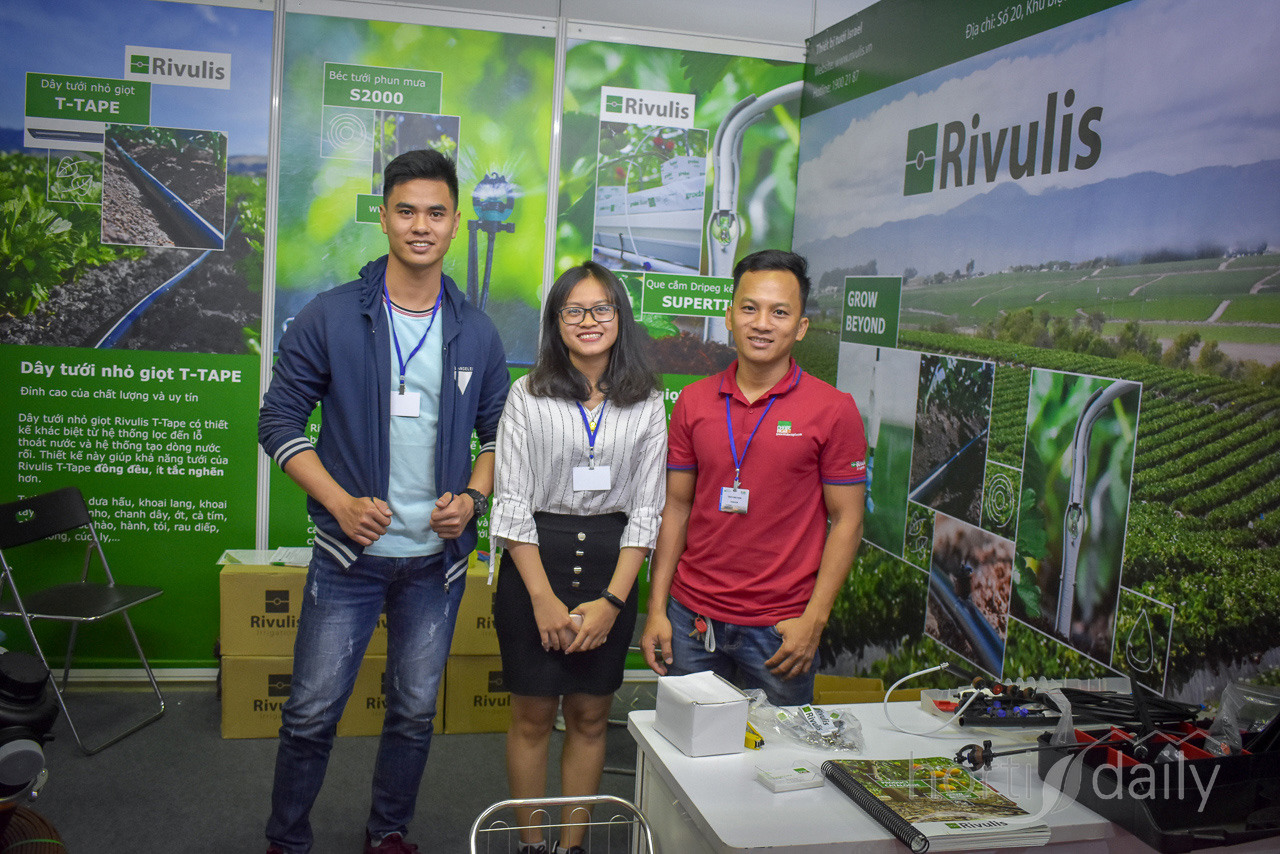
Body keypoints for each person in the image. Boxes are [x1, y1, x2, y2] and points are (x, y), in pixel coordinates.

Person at [258, 148, 510, 854]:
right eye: (406, 211)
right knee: (311, 714)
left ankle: (388, 832)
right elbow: (277, 422)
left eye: (436, 213)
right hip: (349, 558)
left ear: (455, 223)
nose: (420, 226)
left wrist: (473, 497)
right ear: (384, 218)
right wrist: (340, 503)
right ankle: (287, 840)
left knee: (413, 712)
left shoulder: (476, 330)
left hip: (436, 564)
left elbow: (500, 436)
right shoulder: (333, 315)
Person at [489, 262, 666, 854]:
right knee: (532, 718)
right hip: (534, 566)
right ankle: (532, 845)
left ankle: (572, 846)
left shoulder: (647, 402)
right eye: (574, 310)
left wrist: (613, 602)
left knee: (590, 719)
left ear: (620, 317)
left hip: (612, 569)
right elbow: (512, 503)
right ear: (556, 321)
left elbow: (648, 510)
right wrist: (541, 599)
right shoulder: (526, 394)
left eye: (601, 309)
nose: (589, 321)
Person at [640, 249, 867, 706]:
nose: (762, 323)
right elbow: (677, 507)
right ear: (729, 317)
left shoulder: (833, 409)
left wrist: (814, 621)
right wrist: (657, 608)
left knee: (778, 750)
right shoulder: (693, 401)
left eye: (779, 312)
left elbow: (848, 521)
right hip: (692, 620)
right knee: (690, 747)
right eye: (749, 308)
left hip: (780, 629)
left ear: (801, 326)